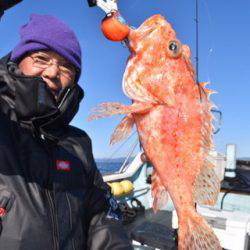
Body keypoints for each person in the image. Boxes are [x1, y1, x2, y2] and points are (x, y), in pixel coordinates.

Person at [0, 2, 133, 250]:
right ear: (18, 63)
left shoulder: (78, 144)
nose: (52, 71)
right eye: (41, 58)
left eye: (66, 66)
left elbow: (101, 215)